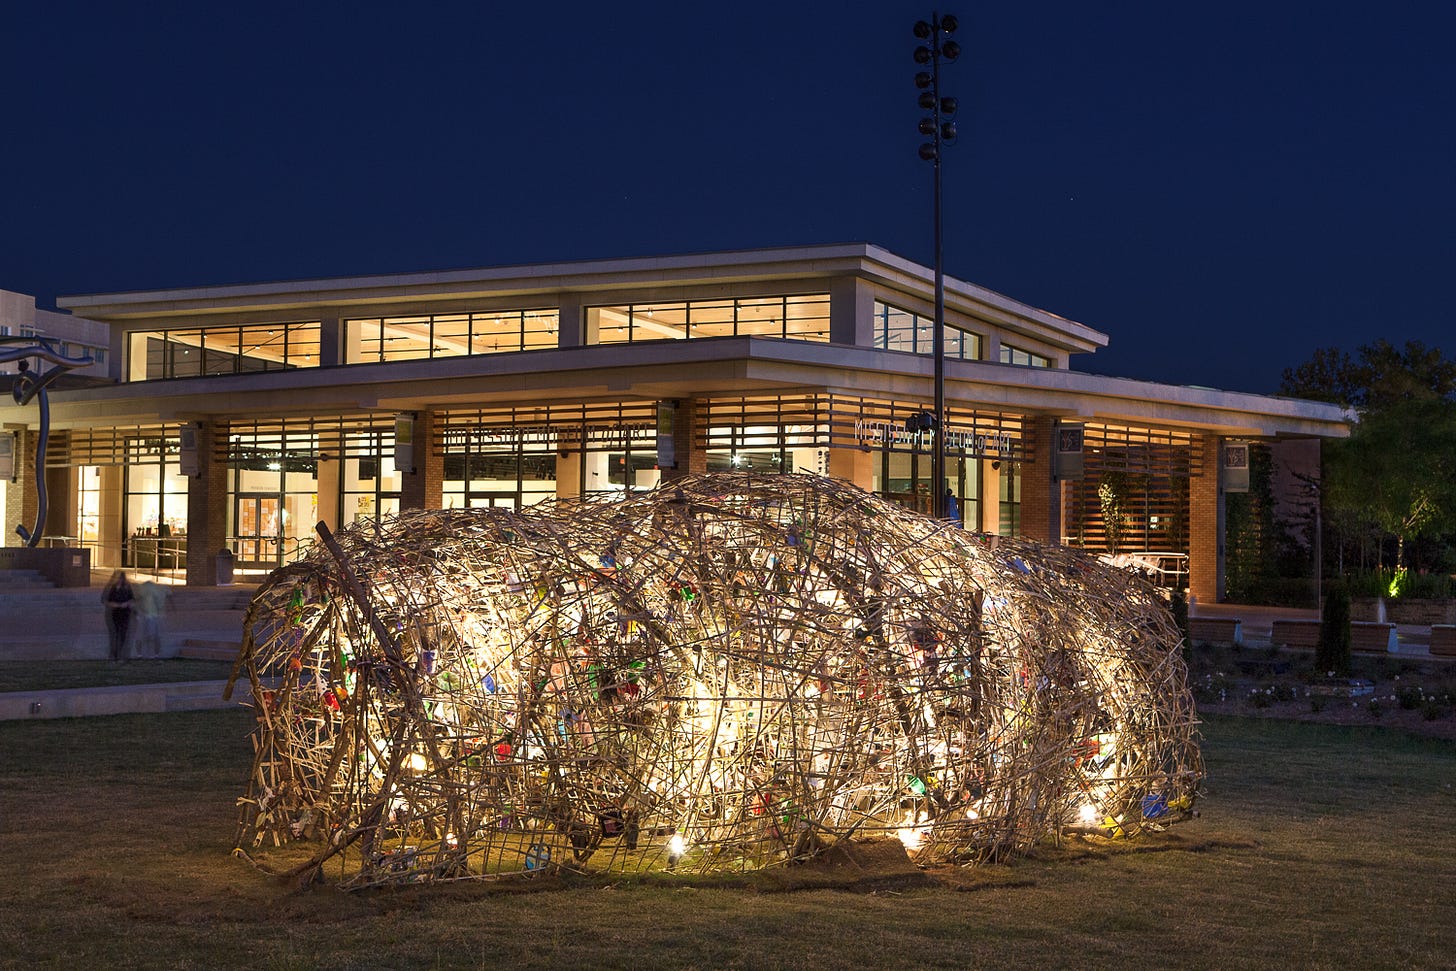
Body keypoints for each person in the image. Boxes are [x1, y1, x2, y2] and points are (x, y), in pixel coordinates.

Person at [102, 570, 135, 663]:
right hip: (115, 613)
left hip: (125, 613)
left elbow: (132, 599)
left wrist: (127, 604)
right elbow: (106, 601)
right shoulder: (113, 588)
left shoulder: (127, 588)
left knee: (123, 635)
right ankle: (115, 656)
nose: (119, 580)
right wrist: (116, 605)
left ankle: (122, 656)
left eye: (120, 578)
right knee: (115, 635)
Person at [134, 580, 167, 658]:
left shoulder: (142, 589)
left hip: (148, 615)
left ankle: (141, 654)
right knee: (152, 635)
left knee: (145, 635)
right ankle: (154, 654)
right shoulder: (156, 590)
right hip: (151, 615)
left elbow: (137, 600)